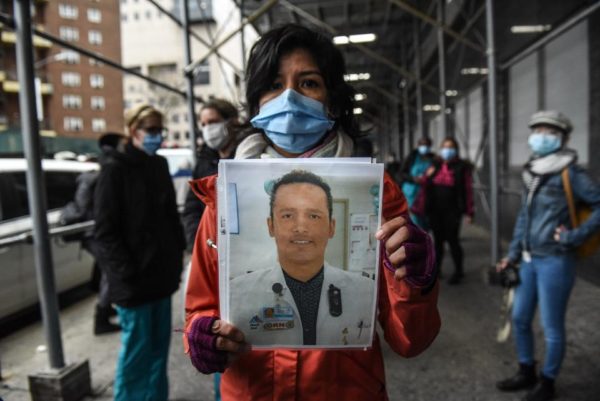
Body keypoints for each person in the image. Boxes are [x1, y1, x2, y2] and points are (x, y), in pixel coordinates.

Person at [183, 24, 440, 400]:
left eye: (308, 83)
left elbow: (409, 341)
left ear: (331, 101)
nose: (288, 98)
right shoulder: (226, 199)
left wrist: (416, 282)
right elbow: (200, 309)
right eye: (273, 84)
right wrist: (203, 337)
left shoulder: (377, 196)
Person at [495, 110, 600, 401]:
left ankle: (548, 381)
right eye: (537, 129)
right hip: (527, 259)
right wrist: (513, 254)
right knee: (520, 318)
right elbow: (523, 218)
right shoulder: (531, 171)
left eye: (549, 131)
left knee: (552, 326)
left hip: (556, 259)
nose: (541, 135)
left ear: (563, 138)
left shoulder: (571, 173)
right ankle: (526, 370)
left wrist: (573, 237)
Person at [94, 103, 185, 401]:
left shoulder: (158, 165)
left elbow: (171, 215)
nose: (156, 136)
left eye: (160, 130)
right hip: (133, 284)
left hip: (161, 277)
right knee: (136, 355)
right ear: (133, 131)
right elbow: (105, 232)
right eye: (151, 130)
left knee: (159, 351)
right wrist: (127, 274)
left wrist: (176, 255)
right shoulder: (114, 170)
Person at [230, 170, 374, 346]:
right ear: (271, 226)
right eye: (288, 216)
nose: (300, 228)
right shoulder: (237, 292)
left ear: (331, 227)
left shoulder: (366, 291)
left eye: (313, 216)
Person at [182, 98, 243, 248]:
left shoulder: (247, 157)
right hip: (209, 245)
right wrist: (197, 241)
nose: (208, 129)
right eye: (203, 124)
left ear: (232, 121)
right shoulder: (204, 160)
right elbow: (192, 206)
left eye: (213, 122)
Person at [424, 136, 474, 285]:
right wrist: (428, 176)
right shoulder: (435, 165)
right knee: (437, 242)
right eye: (445, 147)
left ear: (455, 149)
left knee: (453, 241)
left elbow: (467, 190)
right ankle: (436, 270)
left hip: (453, 211)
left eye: (450, 147)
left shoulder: (461, 167)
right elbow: (426, 184)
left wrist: (469, 212)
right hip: (435, 210)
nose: (447, 150)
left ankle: (459, 271)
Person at [401, 137, 435, 229]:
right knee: (413, 219)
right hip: (410, 194)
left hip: (425, 193)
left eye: (426, 145)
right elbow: (402, 173)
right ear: (418, 145)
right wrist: (413, 179)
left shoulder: (433, 158)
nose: (424, 147)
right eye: (422, 144)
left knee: (425, 221)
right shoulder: (412, 156)